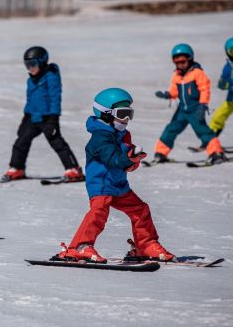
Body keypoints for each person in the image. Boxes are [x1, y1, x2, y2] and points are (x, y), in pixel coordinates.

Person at [54, 88, 174, 263]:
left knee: (140, 210)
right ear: (106, 114)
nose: (126, 119)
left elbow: (124, 164)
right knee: (98, 213)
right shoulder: (100, 137)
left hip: (118, 185)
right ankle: (79, 247)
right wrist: (128, 158)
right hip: (101, 185)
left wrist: (134, 160)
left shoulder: (122, 135)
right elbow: (113, 159)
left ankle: (146, 244)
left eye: (129, 114)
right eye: (122, 114)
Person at [2, 46, 83, 182]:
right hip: (32, 116)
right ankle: (17, 169)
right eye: (27, 65)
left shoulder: (51, 77)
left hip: (47, 117)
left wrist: (53, 119)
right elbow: (31, 100)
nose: (30, 68)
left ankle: (74, 170)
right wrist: (25, 117)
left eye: (33, 64)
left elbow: (55, 97)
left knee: (57, 142)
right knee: (21, 141)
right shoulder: (30, 79)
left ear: (42, 62)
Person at [153, 43, 227, 165]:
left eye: (183, 62)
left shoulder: (197, 73)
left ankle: (217, 153)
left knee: (203, 131)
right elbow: (175, 92)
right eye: (177, 63)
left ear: (190, 59)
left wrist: (203, 104)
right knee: (170, 130)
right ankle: (160, 153)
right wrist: (167, 94)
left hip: (195, 109)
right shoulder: (176, 75)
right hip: (182, 110)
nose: (180, 65)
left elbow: (204, 89)